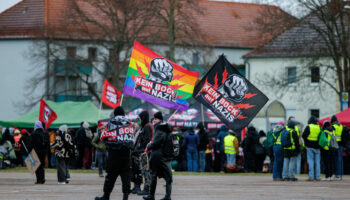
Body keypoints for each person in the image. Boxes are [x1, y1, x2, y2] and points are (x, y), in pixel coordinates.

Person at [95, 106, 135, 200]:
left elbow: (103, 137)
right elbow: (132, 138)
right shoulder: (130, 123)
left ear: (115, 113)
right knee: (126, 176)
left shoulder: (110, 123)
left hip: (114, 154)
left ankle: (106, 196)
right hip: (126, 154)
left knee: (110, 176)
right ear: (124, 113)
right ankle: (125, 197)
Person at [143, 122, 173, 200]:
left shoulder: (160, 132)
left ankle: (151, 196)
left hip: (157, 156)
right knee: (168, 177)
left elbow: (154, 144)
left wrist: (149, 146)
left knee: (154, 175)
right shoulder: (169, 133)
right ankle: (168, 196)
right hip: (165, 157)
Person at [133, 111, 154, 196]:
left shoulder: (147, 127)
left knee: (146, 171)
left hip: (146, 152)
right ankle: (146, 188)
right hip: (146, 151)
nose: (139, 120)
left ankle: (147, 189)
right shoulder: (147, 126)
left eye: (140, 118)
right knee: (145, 171)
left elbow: (147, 140)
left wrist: (140, 149)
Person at [302, 116, 321, 181]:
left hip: (310, 147)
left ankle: (311, 177)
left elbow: (303, 135)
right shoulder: (319, 127)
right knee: (317, 162)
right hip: (317, 147)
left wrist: (306, 143)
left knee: (310, 161)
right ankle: (317, 177)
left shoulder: (309, 126)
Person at [331, 115, 346, 180]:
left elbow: (332, 136)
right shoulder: (341, 126)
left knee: (335, 160)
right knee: (340, 160)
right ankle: (340, 174)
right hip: (341, 145)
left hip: (335, 145)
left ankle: (337, 174)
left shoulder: (333, 127)